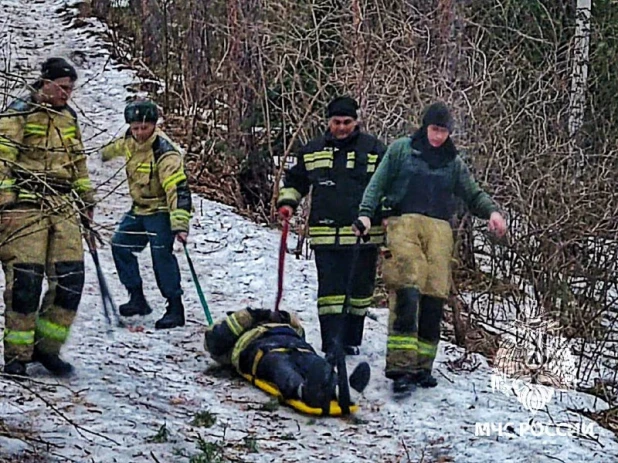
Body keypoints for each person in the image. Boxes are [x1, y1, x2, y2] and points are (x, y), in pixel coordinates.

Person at [354, 102, 507, 394]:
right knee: (407, 290)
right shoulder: (401, 150)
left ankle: (423, 367)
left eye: (444, 132)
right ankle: (400, 367)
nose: (438, 137)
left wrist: (492, 213)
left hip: (439, 230)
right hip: (404, 224)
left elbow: (472, 194)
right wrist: (365, 212)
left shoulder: (453, 162)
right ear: (425, 127)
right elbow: (378, 183)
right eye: (435, 130)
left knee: (433, 298)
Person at [0, 57, 95, 376]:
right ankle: (17, 356)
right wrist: (5, 203)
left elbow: (78, 163)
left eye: (71, 89)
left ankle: (47, 348)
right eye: (63, 87)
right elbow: (2, 159)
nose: (68, 94)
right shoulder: (19, 112)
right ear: (46, 82)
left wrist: (86, 199)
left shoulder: (69, 119)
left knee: (70, 280)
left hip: (63, 206)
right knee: (25, 283)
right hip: (25, 208)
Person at [276, 96, 387, 356]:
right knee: (330, 293)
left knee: (360, 293)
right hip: (325, 235)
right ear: (328, 122)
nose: (341, 127)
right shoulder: (312, 150)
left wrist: (384, 215)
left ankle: (350, 339)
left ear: (357, 121)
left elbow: (387, 187)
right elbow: (295, 181)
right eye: (336, 122)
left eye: (347, 122)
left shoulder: (374, 150)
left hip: (364, 237)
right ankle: (331, 343)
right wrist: (288, 203)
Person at [101, 100, 192, 329]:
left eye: (145, 128)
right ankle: (137, 298)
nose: (140, 133)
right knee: (120, 245)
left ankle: (175, 307)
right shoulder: (128, 141)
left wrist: (179, 223)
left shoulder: (165, 152)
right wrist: (94, 155)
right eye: (135, 128)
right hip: (139, 209)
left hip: (161, 211)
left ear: (154, 125)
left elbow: (177, 189)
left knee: (161, 256)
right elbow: (110, 150)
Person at [204, 308, 370, 410]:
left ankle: (342, 388)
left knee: (315, 363)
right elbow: (215, 343)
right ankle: (303, 390)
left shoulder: (279, 321)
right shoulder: (227, 327)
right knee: (280, 367)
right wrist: (250, 316)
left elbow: (300, 332)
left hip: (295, 344)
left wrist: (283, 317)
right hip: (260, 349)